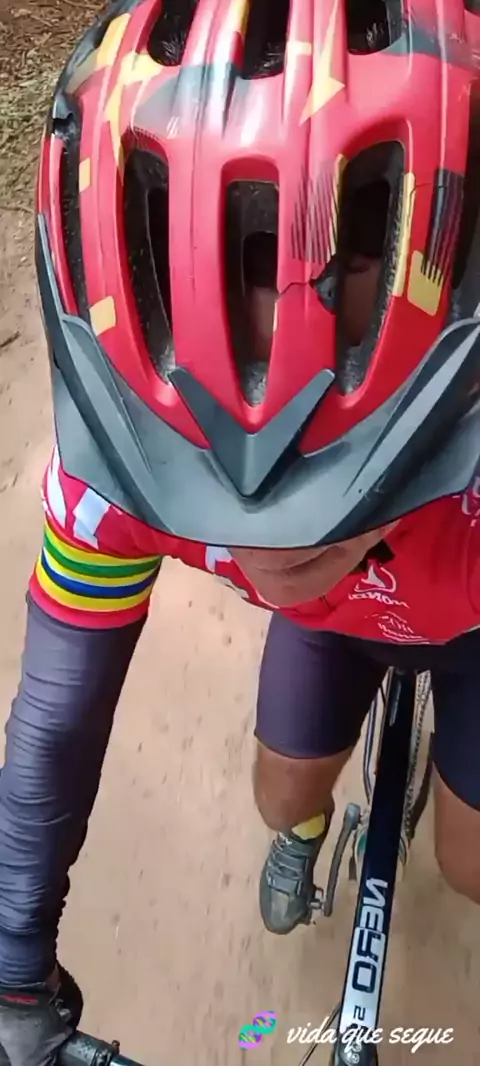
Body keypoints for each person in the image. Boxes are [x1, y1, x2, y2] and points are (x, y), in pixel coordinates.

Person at [1, 0, 480, 1062]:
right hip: (372, 617)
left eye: (342, 487)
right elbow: (54, 725)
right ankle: (305, 825)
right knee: (285, 796)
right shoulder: (120, 461)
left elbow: (56, 716)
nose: (269, 547)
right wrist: (9, 960)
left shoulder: (128, 459)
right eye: (208, 495)